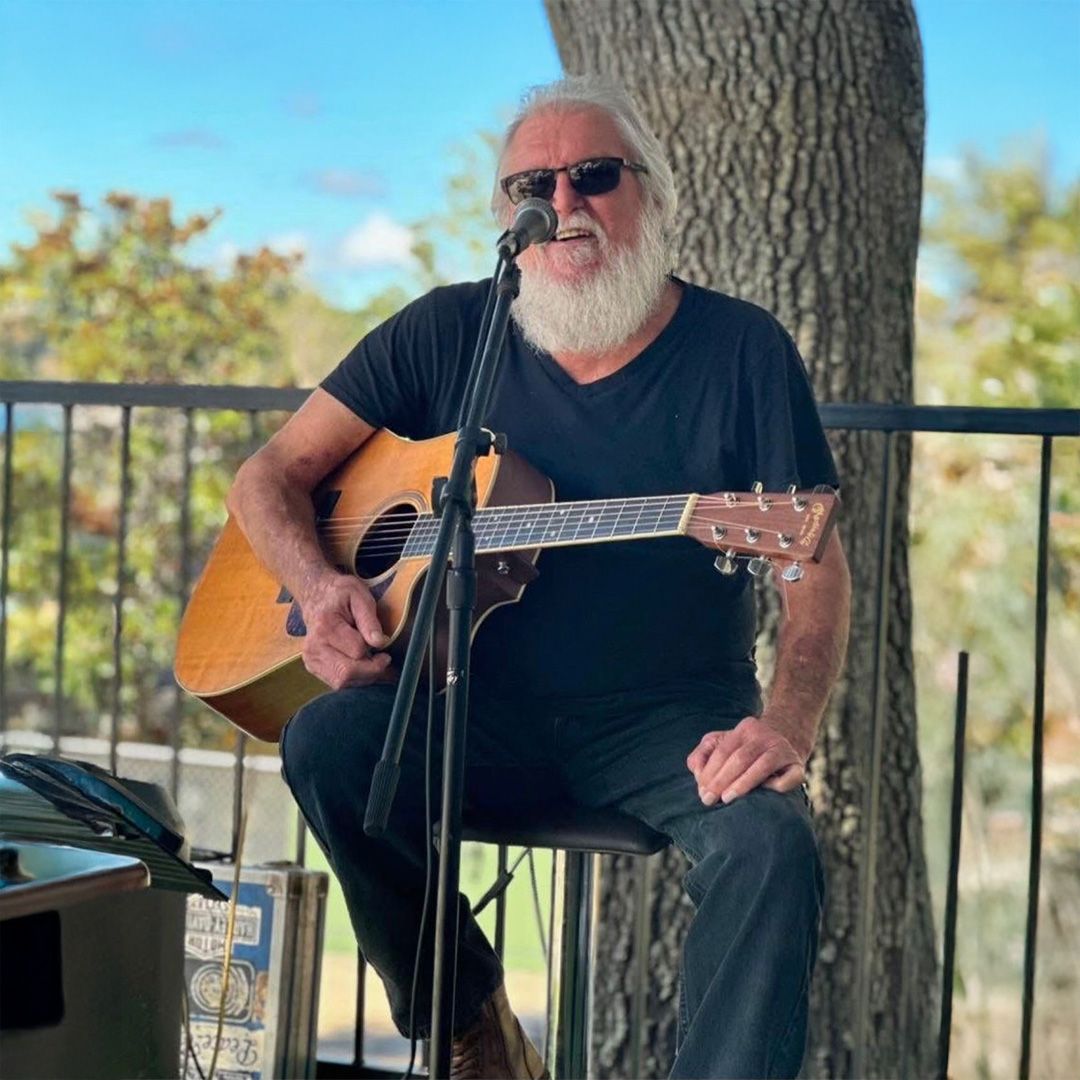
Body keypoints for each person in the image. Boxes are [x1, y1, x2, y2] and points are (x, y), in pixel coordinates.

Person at [226, 75, 851, 1080]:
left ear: (650, 194)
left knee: (771, 846)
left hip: (667, 720)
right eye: (534, 185)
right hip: (470, 704)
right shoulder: (446, 332)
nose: (564, 205)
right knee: (330, 741)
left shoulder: (740, 350)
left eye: (594, 176)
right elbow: (270, 476)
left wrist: (786, 724)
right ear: (504, 216)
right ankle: (468, 1017)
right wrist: (316, 583)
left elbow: (812, 568)